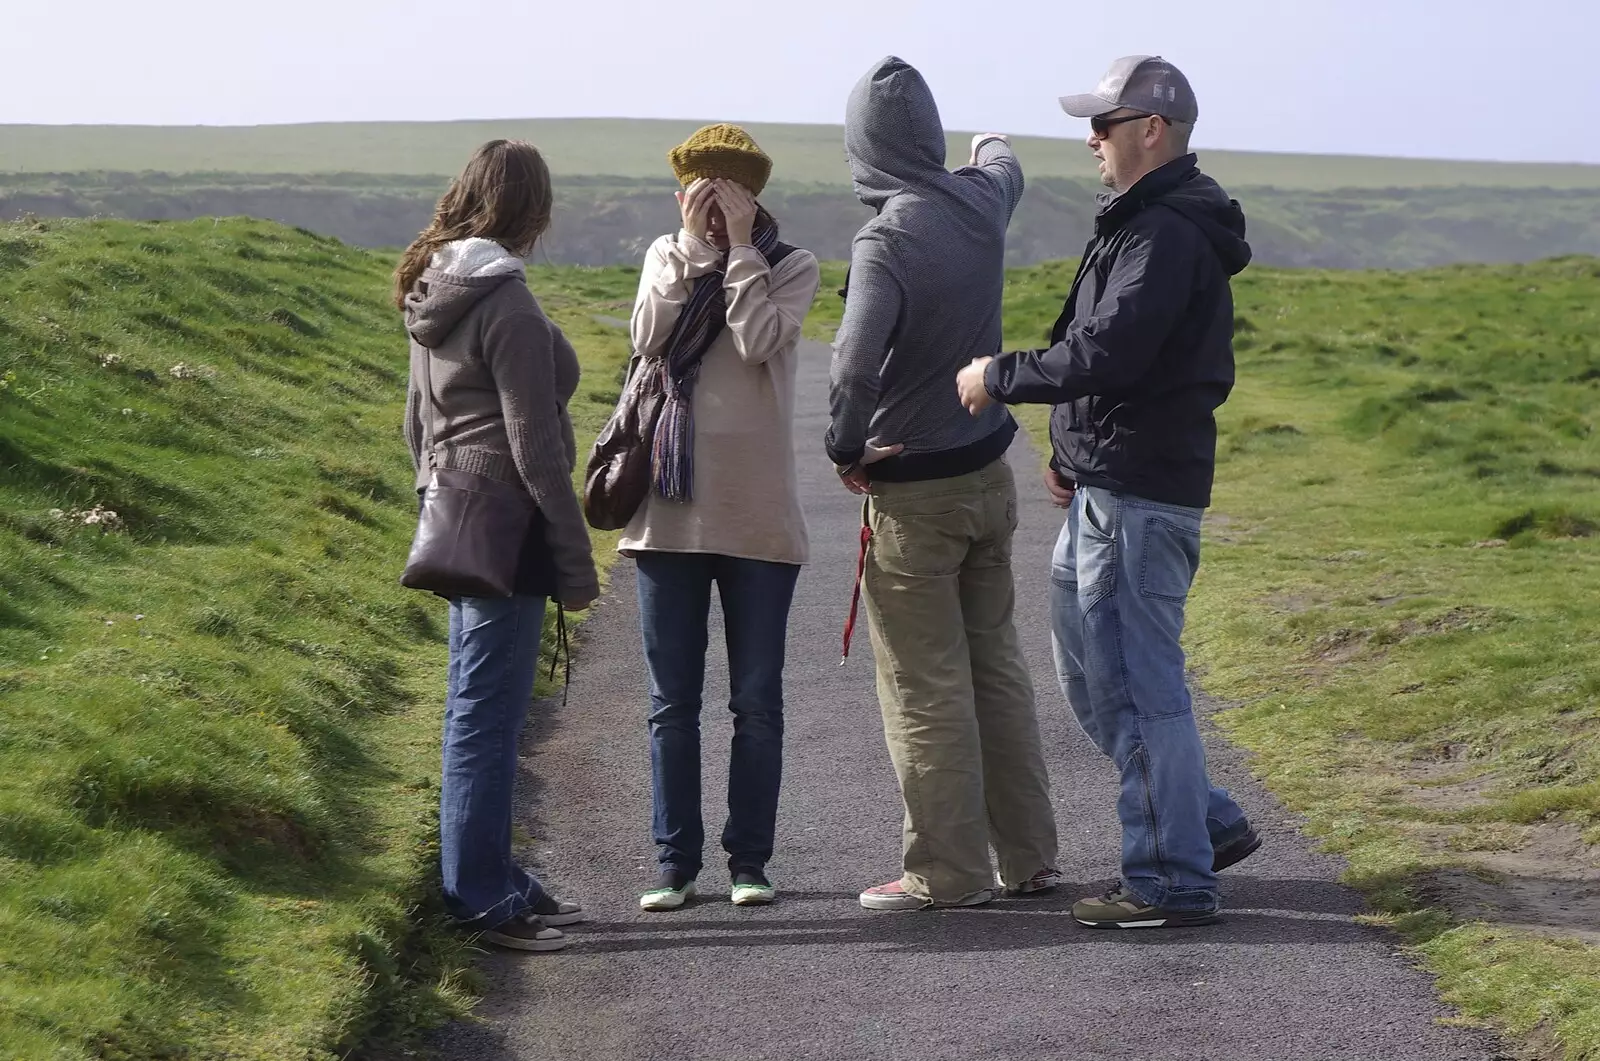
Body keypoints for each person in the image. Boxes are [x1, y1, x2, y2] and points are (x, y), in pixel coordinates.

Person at [956, 56, 1260, 929]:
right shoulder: (1143, 224)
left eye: (1104, 122)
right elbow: (1113, 352)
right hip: (1108, 481)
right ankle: (1203, 822)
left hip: (1135, 495)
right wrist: (1072, 449)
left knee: (1138, 686)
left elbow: (1109, 352)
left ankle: (1168, 876)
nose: (1090, 137)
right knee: (1093, 677)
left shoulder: (1164, 233)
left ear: (1151, 129)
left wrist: (997, 376)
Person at [827, 56, 1060, 912]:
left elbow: (853, 365)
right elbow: (1006, 163)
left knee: (926, 684)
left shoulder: (886, 239)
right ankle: (1029, 856)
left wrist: (844, 448)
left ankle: (948, 873)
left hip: (915, 493)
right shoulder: (980, 199)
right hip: (988, 476)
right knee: (995, 663)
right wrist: (989, 139)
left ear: (864, 151)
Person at [399, 139, 599, 952]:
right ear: (534, 212)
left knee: (474, 710)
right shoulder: (506, 301)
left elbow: (414, 424)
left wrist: (436, 495)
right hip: (506, 529)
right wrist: (577, 558)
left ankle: (495, 878)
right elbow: (535, 448)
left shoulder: (432, 284)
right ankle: (481, 898)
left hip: (457, 516)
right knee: (487, 718)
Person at [619, 124, 820, 911]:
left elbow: (759, 335)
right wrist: (696, 254)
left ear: (751, 198)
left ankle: (750, 862)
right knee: (672, 702)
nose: (704, 207)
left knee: (756, 701)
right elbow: (648, 340)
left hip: (759, 517)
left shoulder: (790, 265)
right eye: (695, 195)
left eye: (722, 195)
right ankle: (674, 862)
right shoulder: (664, 260)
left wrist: (739, 249)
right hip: (668, 515)